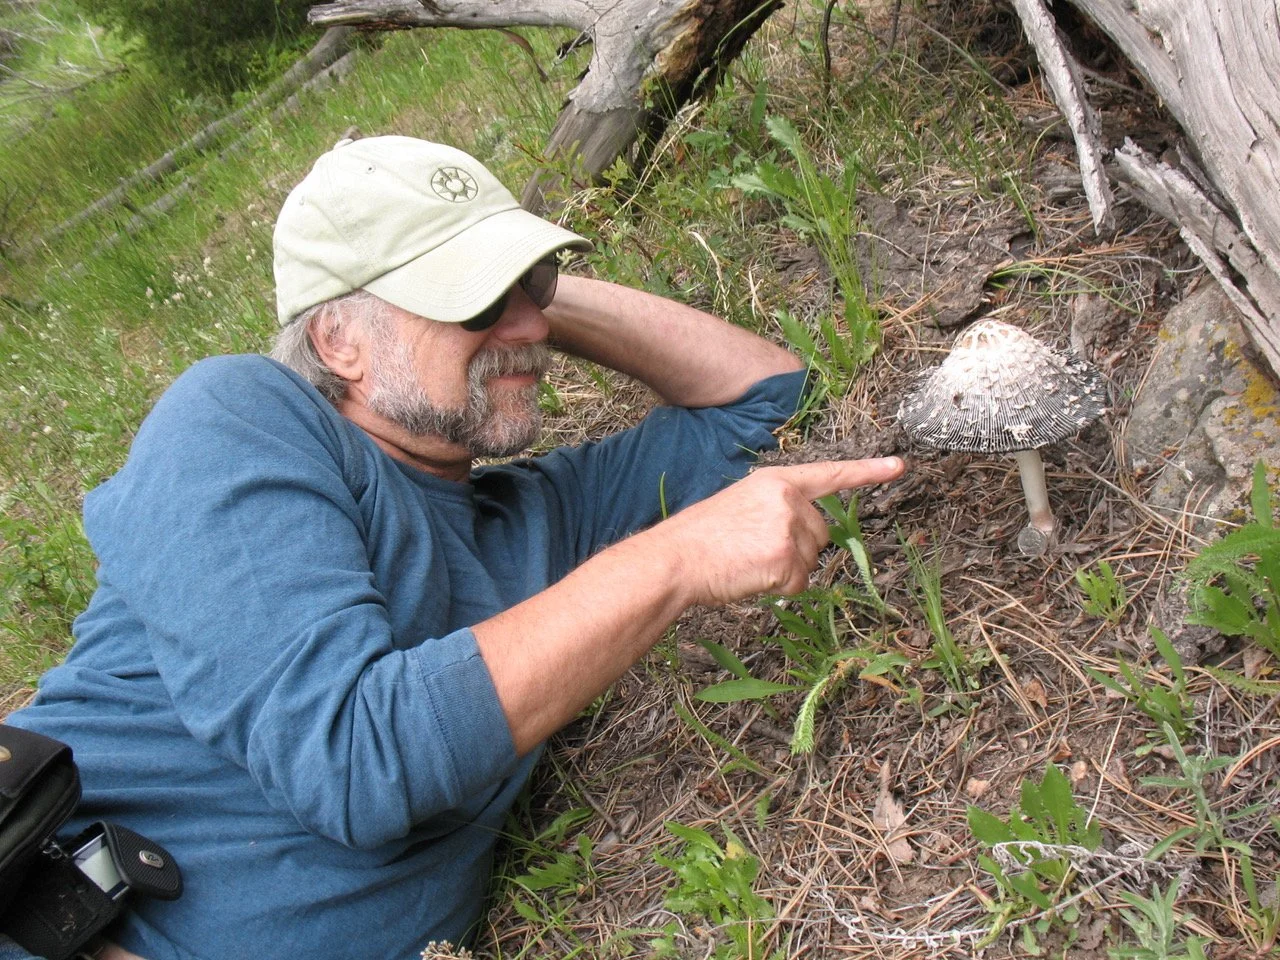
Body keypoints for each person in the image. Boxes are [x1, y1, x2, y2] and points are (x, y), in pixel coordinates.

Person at [3, 136, 905, 960]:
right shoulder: (238, 420)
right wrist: (673, 560)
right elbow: (353, 759)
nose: (531, 329)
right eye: (473, 297)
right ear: (338, 340)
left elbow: (767, 396)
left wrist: (520, 289)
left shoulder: (539, 516)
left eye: (532, 287)